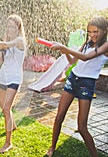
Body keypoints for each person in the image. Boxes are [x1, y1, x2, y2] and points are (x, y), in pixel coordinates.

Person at [46, 16, 108, 157]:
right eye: (90, 31)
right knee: (59, 116)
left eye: (95, 31)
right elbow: (74, 61)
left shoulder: (106, 45)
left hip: (86, 84)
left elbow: (86, 58)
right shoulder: (87, 43)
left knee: (81, 127)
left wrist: (64, 47)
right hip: (73, 79)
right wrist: (66, 52)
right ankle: (52, 148)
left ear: (105, 30)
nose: (92, 35)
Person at [0, 14, 27, 153]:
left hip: (14, 78)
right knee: (3, 107)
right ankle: (12, 124)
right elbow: (0, 61)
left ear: (18, 28)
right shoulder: (5, 43)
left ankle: (8, 143)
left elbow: (6, 45)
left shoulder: (20, 40)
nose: (9, 29)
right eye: (8, 26)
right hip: (3, 77)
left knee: (7, 108)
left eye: (12, 26)